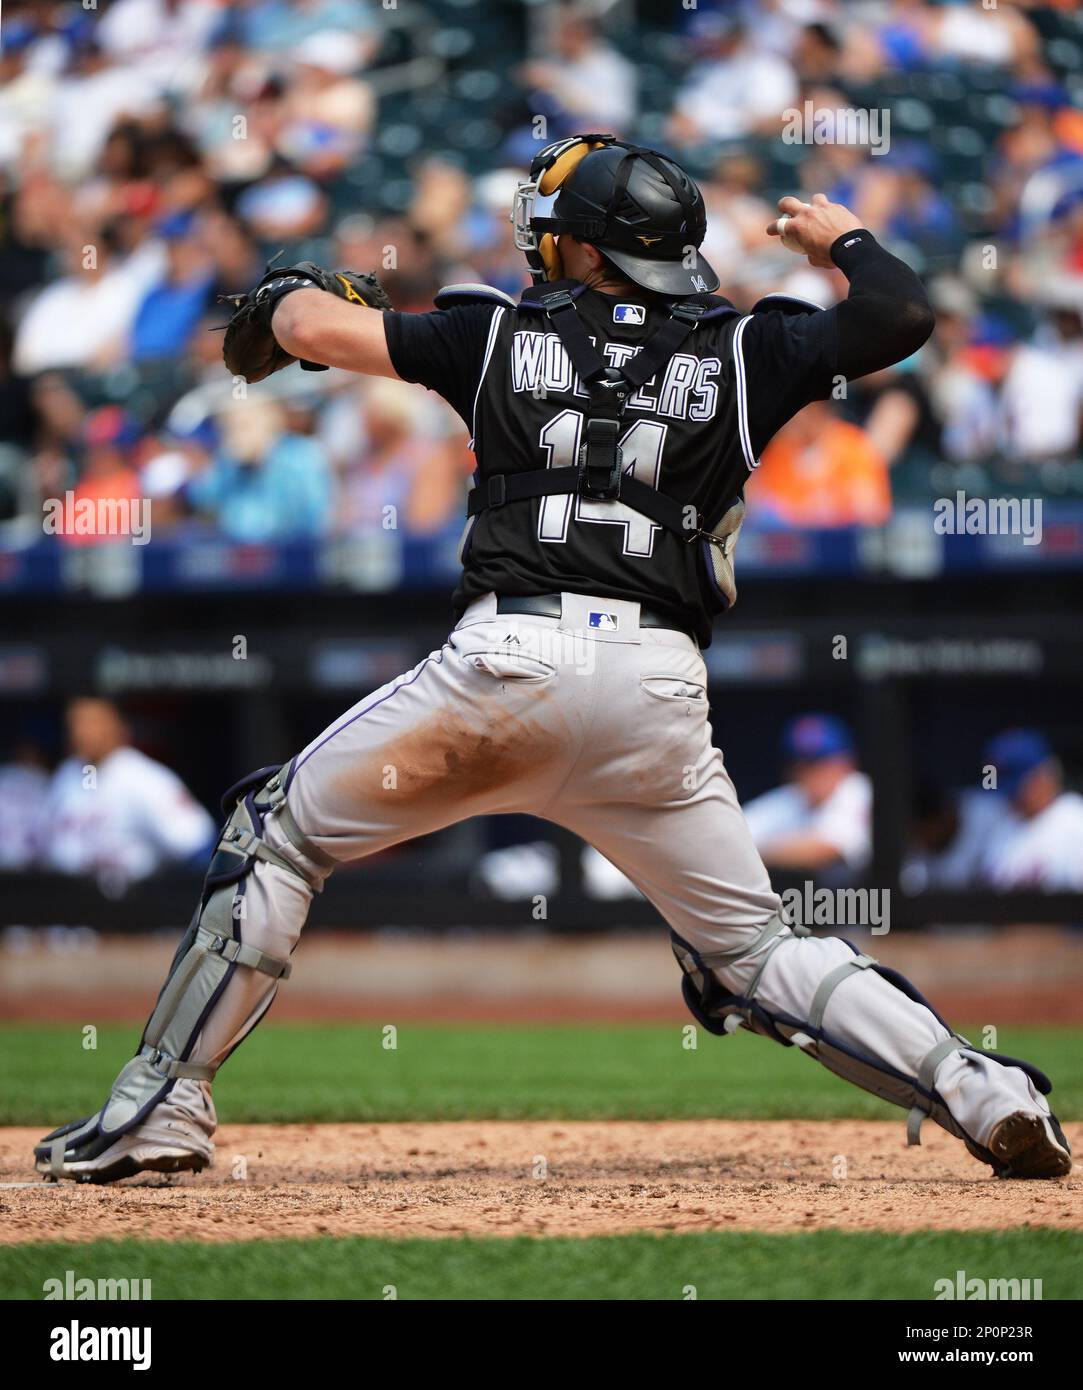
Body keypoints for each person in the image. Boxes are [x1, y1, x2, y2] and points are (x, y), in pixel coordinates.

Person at [36, 136, 1070, 1184]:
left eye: (562, 227)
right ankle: (981, 1086)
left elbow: (297, 323)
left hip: (506, 665)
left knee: (276, 834)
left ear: (588, 248)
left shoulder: (491, 330)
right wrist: (838, 237)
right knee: (756, 952)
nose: (548, 238)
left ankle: (164, 1102)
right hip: (656, 694)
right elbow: (900, 315)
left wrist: (297, 287)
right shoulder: (750, 347)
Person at [42, 697, 215, 890]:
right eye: (76, 724)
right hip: (68, 902)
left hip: (132, 905)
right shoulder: (65, 776)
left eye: (93, 723)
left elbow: (198, 844)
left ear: (119, 728)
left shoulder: (143, 777)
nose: (82, 732)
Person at [742, 715, 872, 879]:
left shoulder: (859, 790)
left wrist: (750, 852)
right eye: (802, 763)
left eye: (820, 762)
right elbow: (735, 833)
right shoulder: (792, 797)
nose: (810, 773)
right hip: (813, 900)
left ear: (846, 762)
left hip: (872, 899)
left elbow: (824, 849)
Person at [978, 729, 1083, 892]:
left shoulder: (1075, 821)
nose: (1011, 798)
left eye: (1017, 789)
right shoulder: (1000, 829)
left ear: (1045, 775)